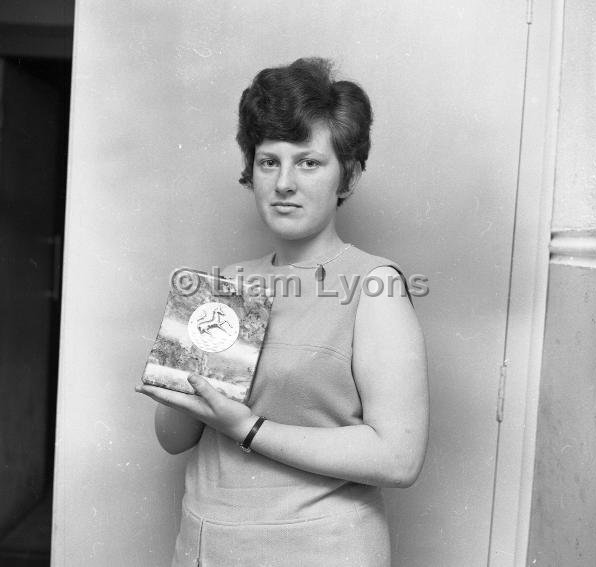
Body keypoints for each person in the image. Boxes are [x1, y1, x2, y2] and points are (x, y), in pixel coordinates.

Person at [136, 57, 429, 567]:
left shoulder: (373, 284)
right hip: (207, 546)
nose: (284, 182)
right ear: (251, 170)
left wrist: (247, 428)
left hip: (319, 549)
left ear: (349, 176)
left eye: (309, 162)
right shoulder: (225, 286)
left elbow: (398, 457)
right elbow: (173, 439)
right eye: (269, 161)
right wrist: (178, 376)